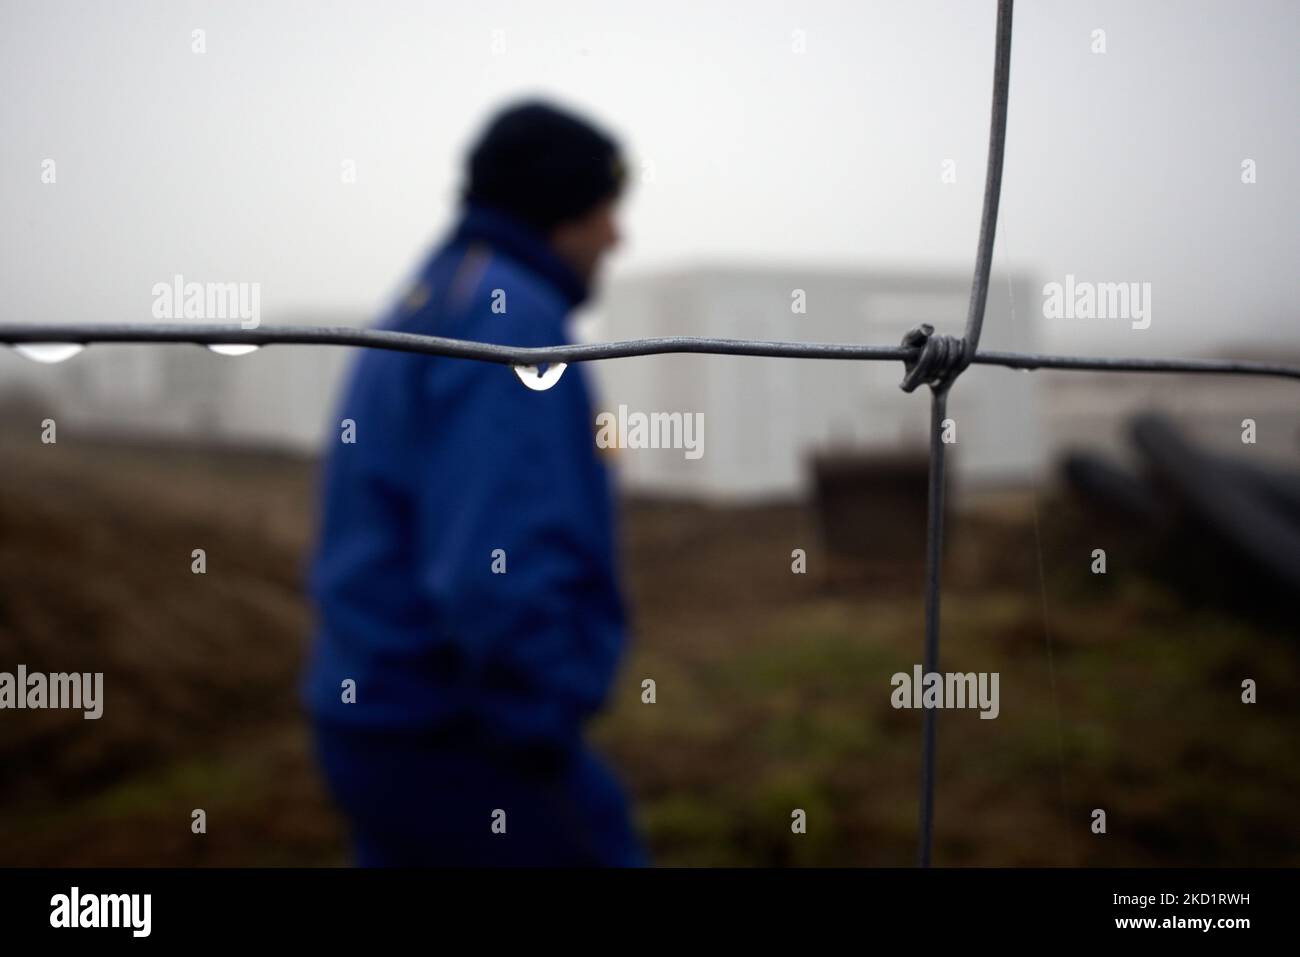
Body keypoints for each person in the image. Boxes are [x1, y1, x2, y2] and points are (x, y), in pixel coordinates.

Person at [303, 100, 645, 866]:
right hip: (454, 731)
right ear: (559, 208)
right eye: (605, 208)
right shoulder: (508, 321)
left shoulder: (435, 293)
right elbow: (495, 571)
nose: (618, 236)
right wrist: (543, 714)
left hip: (375, 713)